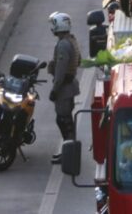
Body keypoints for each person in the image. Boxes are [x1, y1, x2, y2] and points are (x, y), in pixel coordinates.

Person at [47, 12, 81, 164]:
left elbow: (60, 70)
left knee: (64, 120)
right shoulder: (71, 40)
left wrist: (54, 90)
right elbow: (78, 60)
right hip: (70, 86)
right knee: (66, 121)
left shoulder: (63, 45)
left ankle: (69, 154)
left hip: (64, 89)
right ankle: (69, 152)